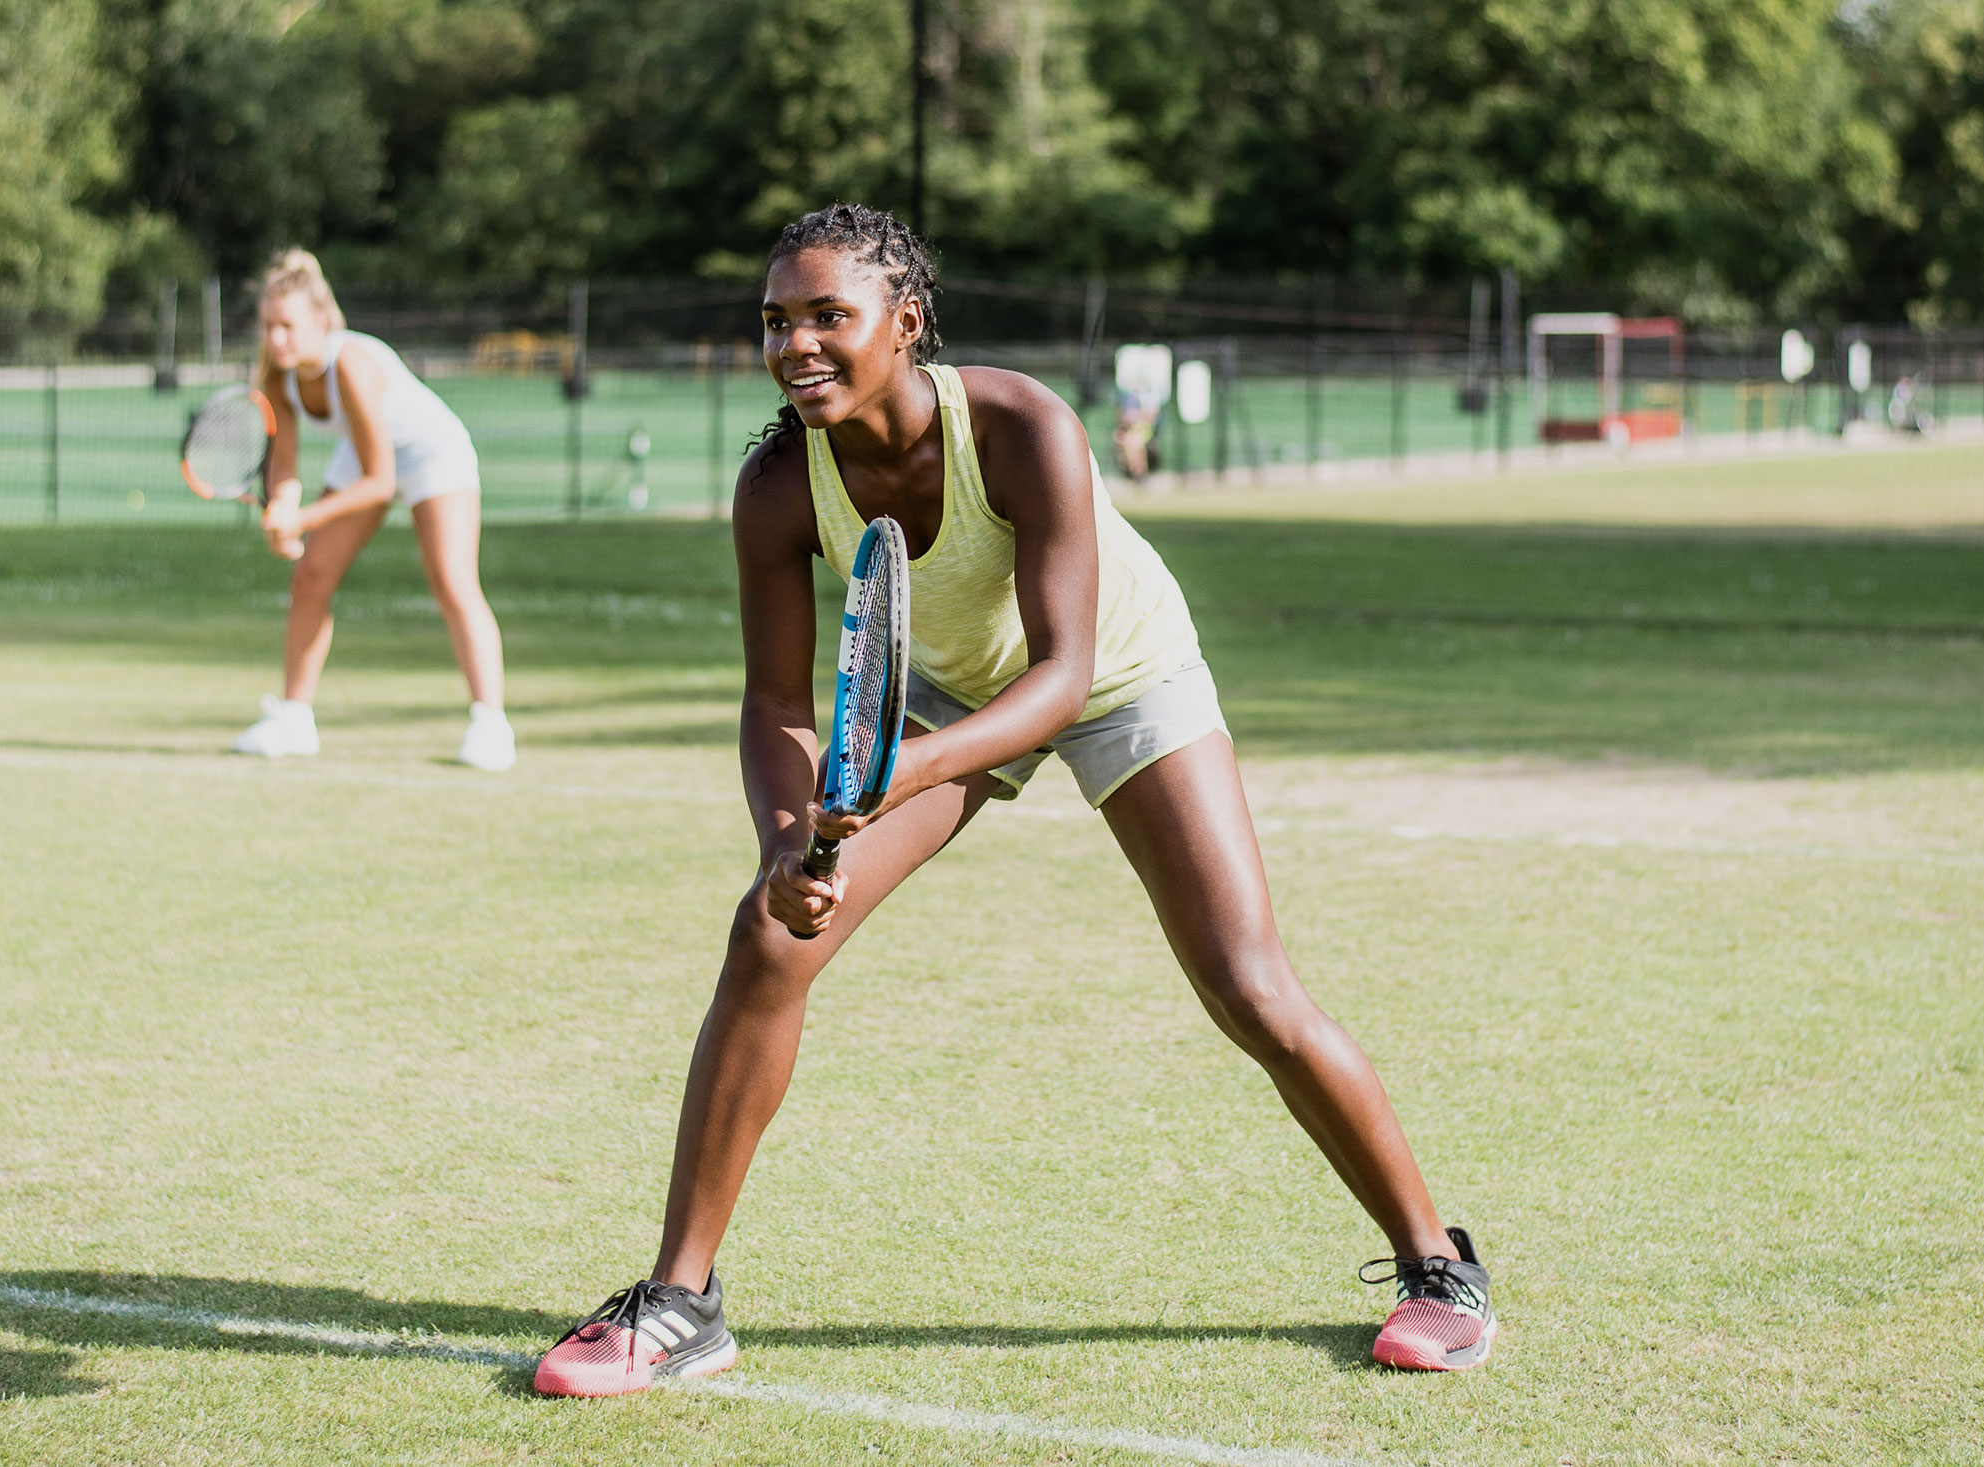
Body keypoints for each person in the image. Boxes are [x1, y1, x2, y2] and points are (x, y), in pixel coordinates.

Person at [532, 205, 1493, 1398]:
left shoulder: (1027, 426)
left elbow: (1063, 676)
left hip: (1113, 672)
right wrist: (790, 845)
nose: (797, 345)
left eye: (830, 316)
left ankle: (1437, 1266)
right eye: (776, 321)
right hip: (938, 685)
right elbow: (776, 702)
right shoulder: (781, 482)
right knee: (769, 936)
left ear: (908, 323)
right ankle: (681, 1303)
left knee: (1248, 986)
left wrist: (899, 772)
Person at [231, 248, 515, 772]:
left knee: (452, 581)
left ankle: (491, 725)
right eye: (269, 326)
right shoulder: (277, 376)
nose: (276, 339)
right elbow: (285, 465)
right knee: (310, 575)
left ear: (321, 320)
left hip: (432, 451)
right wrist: (284, 514)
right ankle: (294, 719)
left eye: (288, 326)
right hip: (362, 454)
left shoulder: (354, 366)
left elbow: (379, 482)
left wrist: (302, 520)